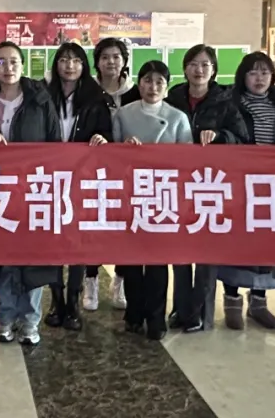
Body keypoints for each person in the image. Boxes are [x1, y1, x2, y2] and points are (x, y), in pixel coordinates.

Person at [197, 52, 275, 330]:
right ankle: (232, 300)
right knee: (236, 240)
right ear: (242, 76)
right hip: (238, 183)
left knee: (265, 240)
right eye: (253, 72)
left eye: (265, 72)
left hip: (271, 185)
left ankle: (259, 302)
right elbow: (220, 134)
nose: (259, 78)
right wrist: (219, 136)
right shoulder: (227, 102)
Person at [0, 41, 63, 346]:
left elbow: (55, 141)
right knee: (3, 258)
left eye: (13, 61)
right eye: (1, 62)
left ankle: (29, 321)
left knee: (33, 258)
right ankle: (5, 317)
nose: (8, 67)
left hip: (33, 188)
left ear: (22, 65)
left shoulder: (40, 98)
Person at [112, 60, 193, 341]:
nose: (153, 87)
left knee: (158, 261)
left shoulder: (178, 118)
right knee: (132, 259)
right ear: (139, 83)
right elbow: (110, 155)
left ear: (167, 87)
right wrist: (125, 150)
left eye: (160, 82)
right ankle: (134, 314)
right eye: (147, 80)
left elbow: (187, 161)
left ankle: (156, 318)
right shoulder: (123, 115)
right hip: (131, 194)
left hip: (163, 197)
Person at [43, 43, 112, 331]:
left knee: (77, 240)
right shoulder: (43, 95)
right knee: (51, 240)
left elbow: (107, 134)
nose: (69, 66)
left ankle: (73, 300)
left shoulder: (96, 98)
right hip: (49, 178)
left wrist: (102, 140)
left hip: (82, 178)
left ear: (84, 66)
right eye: (63, 60)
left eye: (75, 60)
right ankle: (56, 300)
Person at [164, 44, 229, 333]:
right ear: (185, 68)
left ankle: (200, 311)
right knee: (179, 249)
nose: (199, 70)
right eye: (193, 64)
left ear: (213, 70)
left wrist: (220, 136)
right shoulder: (173, 97)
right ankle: (180, 307)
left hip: (211, 183)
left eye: (205, 64)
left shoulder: (225, 100)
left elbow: (240, 137)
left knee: (206, 251)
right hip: (178, 183)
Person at [84, 37, 134, 310]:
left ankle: (120, 281)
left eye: (116, 57)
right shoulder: (88, 92)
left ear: (124, 61)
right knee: (94, 223)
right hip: (94, 172)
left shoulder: (135, 92)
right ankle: (90, 280)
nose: (111, 62)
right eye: (105, 57)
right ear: (97, 62)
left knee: (124, 225)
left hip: (127, 173)